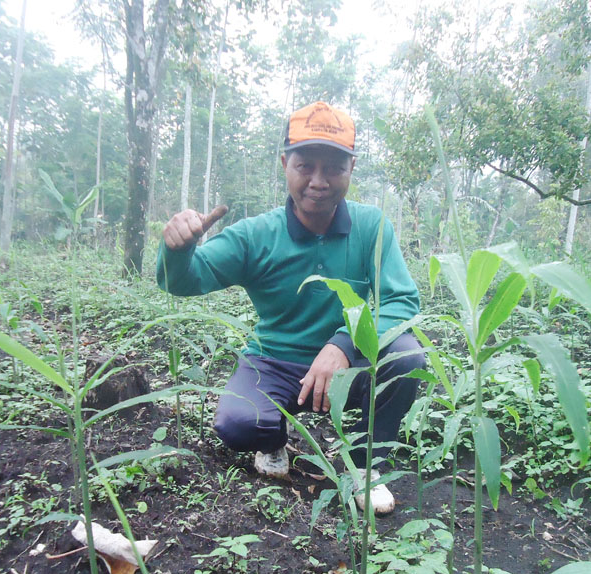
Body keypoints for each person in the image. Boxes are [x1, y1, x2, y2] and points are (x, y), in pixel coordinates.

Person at [157, 101, 423, 514]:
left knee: (406, 355)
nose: (319, 181)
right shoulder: (255, 235)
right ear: (285, 163)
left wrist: (343, 344)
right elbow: (185, 281)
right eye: (305, 166)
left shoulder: (372, 227)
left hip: (348, 368)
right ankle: (273, 437)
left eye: (334, 167)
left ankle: (367, 464)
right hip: (275, 364)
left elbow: (402, 300)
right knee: (238, 424)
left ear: (351, 168)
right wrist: (177, 248)